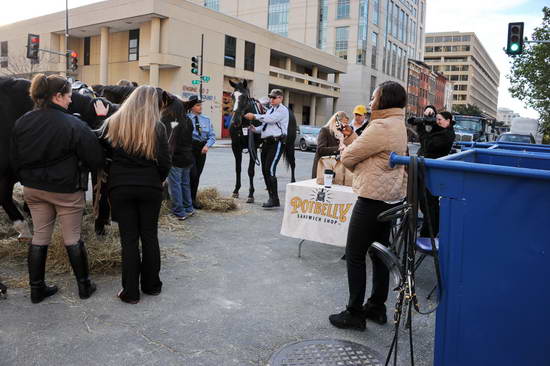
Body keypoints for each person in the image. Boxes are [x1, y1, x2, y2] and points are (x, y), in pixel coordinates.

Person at [10, 74, 104, 304]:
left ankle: (36, 289)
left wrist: (26, 179)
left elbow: (14, 159)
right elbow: (96, 159)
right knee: (72, 237)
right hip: (66, 190)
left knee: (40, 236)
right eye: (69, 96)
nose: (71, 101)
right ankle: (84, 286)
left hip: (33, 189)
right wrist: (101, 122)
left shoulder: (22, 121)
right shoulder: (74, 124)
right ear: (58, 96)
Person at [329, 81, 408, 331]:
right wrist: (351, 137)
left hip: (371, 199)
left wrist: (352, 156)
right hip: (388, 199)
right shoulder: (397, 124)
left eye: (374, 96)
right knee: (379, 254)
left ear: (383, 100)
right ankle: (376, 307)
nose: (371, 100)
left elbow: (349, 157)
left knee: (354, 255)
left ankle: (354, 313)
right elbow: (370, 150)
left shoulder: (381, 125)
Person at [98, 85, 171, 304]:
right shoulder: (157, 127)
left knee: (128, 240)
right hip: (149, 186)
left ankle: (130, 292)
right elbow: (166, 162)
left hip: (120, 187)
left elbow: (101, 150)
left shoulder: (113, 122)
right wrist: (156, 179)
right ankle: (152, 286)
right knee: (149, 236)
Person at [244, 89, 289, 208]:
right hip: (266, 144)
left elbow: (270, 119)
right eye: (270, 97)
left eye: (274, 98)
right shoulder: (270, 110)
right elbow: (264, 127)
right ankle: (271, 198)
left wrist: (254, 116)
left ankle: (275, 199)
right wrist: (254, 129)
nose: (271, 100)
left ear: (280, 98)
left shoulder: (282, 110)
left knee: (270, 170)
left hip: (276, 143)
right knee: (264, 170)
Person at [416, 111, 455, 237]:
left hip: (432, 173)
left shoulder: (447, 135)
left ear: (448, 121)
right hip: (429, 171)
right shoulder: (441, 132)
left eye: (439, 120)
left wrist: (422, 129)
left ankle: (428, 234)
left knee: (429, 204)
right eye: (436, 119)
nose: (436, 122)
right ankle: (430, 232)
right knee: (428, 204)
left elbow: (427, 145)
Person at [163, 99, 195, 220]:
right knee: (185, 184)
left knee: (175, 185)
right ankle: (188, 208)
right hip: (187, 156)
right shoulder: (188, 120)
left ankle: (179, 211)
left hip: (176, 157)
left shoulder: (170, 120)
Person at [187, 95, 216, 209]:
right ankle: (187, 199)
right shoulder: (185, 118)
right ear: (191, 107)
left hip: (202, 149)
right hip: (190, 148)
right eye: (197, 105)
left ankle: (193, 200)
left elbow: (212, 136)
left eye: (200, 105)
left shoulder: (206, 120)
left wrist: (207, 146)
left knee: (197, 175)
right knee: (192, 174)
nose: (200, 107)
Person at [311, 111, 355, 179]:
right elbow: (320, 149)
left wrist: (350, 134)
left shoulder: (342, 133)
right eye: (343, 122)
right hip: (322, 169)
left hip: (335, 170)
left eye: (346, 123)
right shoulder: (325, 130)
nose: (344, 125)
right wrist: (338, 149)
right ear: (336, 121)